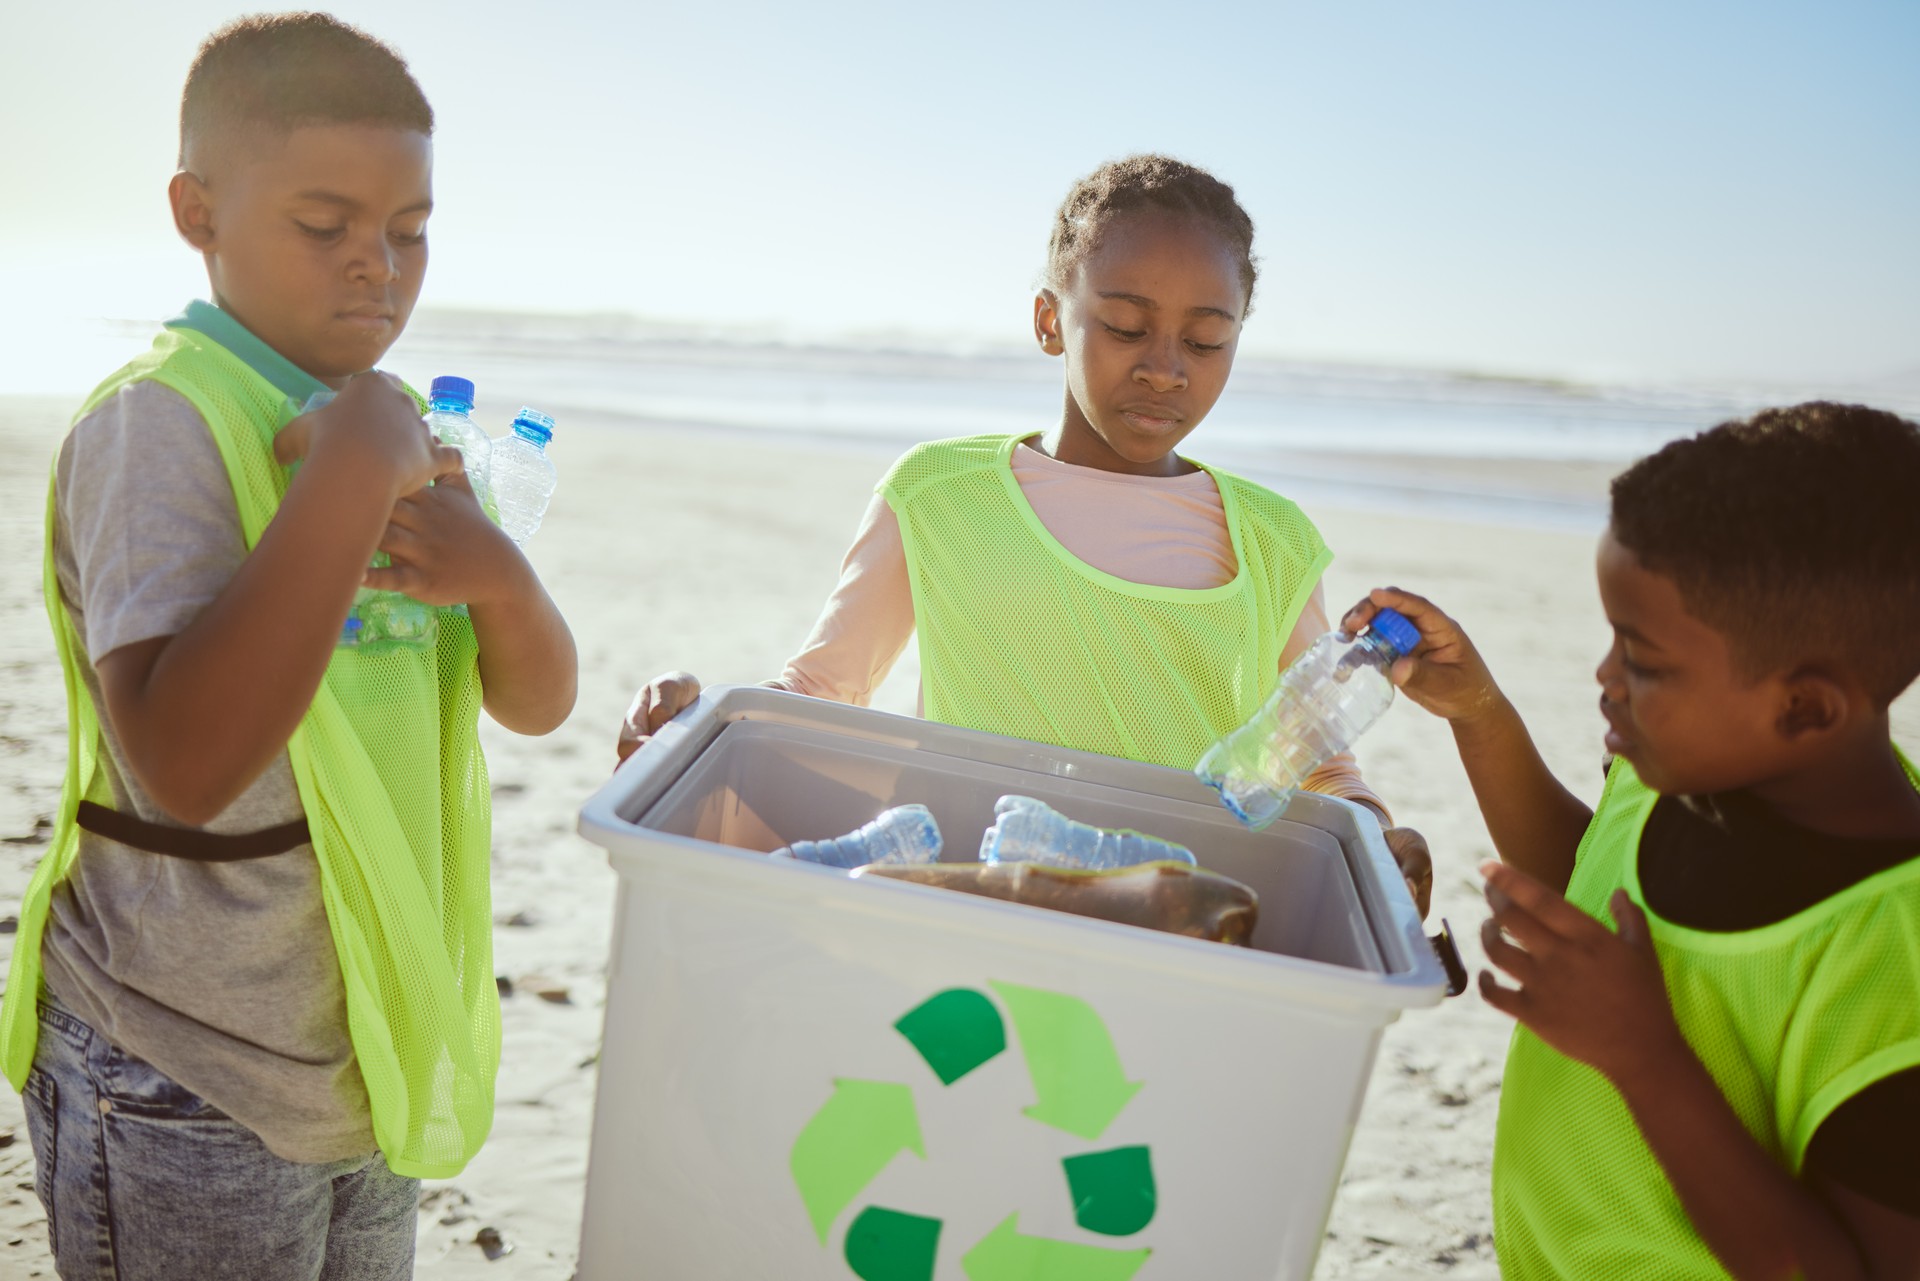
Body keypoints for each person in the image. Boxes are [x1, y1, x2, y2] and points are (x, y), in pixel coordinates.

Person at [3, 14, 577, 1280]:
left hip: (360, 1051)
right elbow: (184, 765)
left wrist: (503, 581)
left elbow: (534, 703)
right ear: (196, 210)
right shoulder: (163, 426)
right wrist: (347, 479)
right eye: (327, 228)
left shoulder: (399, 427)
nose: (378, 267)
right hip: (179, 1070)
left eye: (410, 231)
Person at [621, 154, 1433, 912]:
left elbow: (1319, 760)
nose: (1165, 367)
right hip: (958, 907)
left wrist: (1375, 830)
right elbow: (820, 692)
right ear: (1051, 320)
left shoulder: (1273, 540)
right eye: (1124, 325)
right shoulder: (940, 496)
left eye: (1205, 340)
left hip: (1177, 929)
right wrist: (694, 728)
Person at [1343, 402, 1920, 1277]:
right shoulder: (1674, 765)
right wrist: (1480, 714)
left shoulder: (1893, 961)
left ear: (1805, 705)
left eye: (1643, 661)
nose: (1605, 680)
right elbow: (1595, 879)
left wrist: (1643, 1055)